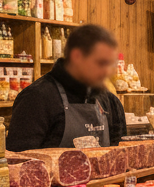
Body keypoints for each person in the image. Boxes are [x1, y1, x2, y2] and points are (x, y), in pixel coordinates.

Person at [7, 23, 126, 151]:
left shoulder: (111, 102)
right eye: (101, 63)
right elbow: (19, 159)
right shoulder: (36, 98)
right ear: (76, 56)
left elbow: (120, 156)